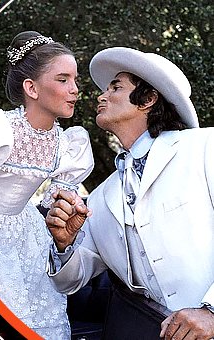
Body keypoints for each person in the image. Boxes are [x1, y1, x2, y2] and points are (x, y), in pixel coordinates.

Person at [46, 46, 214, 339]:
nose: (101, 95)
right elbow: (70, 281)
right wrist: (64, 245)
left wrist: (211, 312)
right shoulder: (100, 196)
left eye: (116, 87)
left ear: (148, 99)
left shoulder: (204, 148)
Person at [0, 31, 94, 339]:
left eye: (75, 80)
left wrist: (70, 209)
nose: (75, 89)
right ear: (32, 88)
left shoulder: (67, 144)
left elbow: (58, 198)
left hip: (27, 235)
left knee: (39, 318)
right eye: (63, 79)